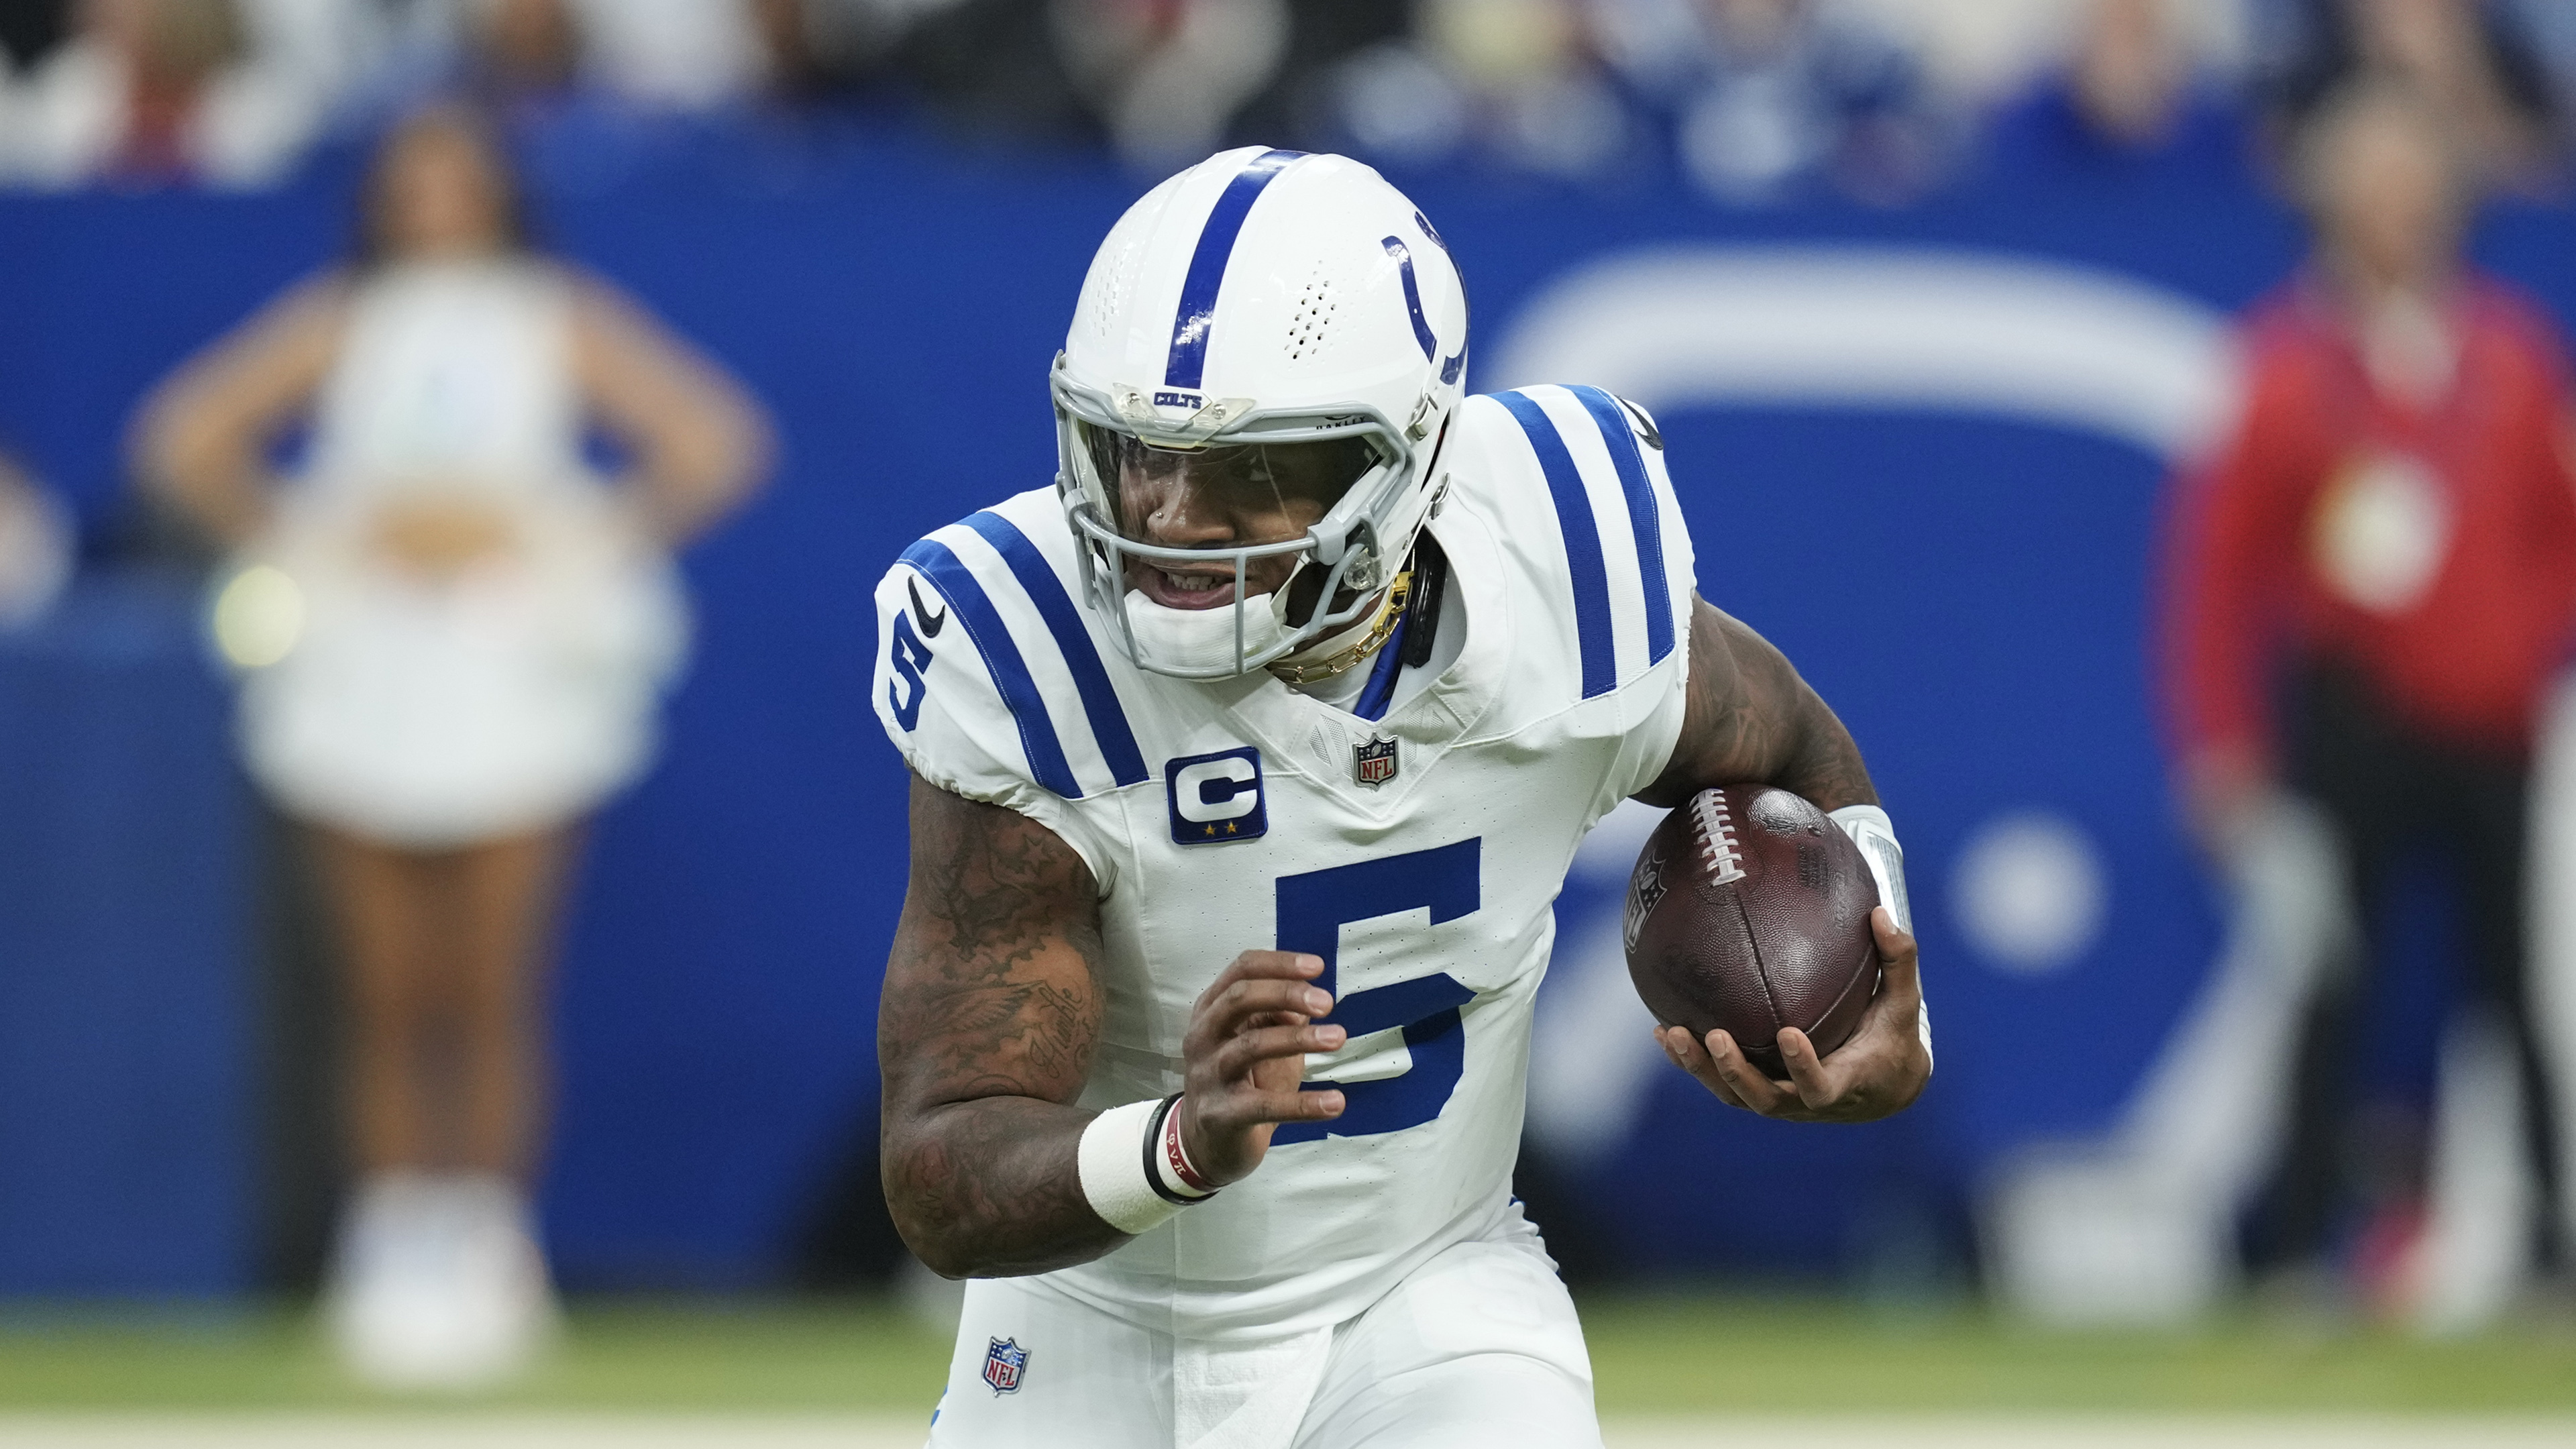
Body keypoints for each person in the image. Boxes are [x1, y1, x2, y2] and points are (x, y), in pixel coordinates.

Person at [871, 146, 1930, 1444]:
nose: (1171, 517)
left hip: (1429, 1295)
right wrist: (1176, 1143)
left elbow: (1791, 746)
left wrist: (1874, 979)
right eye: (1134, 451)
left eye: (1251, 472)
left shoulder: (1562, 570)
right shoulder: (1032, 649)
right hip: (1099, 1317)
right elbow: (941, 1162)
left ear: (1407, 457)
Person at [133, 104, 769, 1385]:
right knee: (387, 989)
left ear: (495, 191)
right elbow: (183, 438)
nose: (433, 204)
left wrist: (566, 534)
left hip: (508, 673)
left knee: (489, 987)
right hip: (367, 668)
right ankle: (392, 1243)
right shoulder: (342, 319)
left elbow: (716, 440)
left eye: (454, 179)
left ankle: (487, 1244)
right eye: (409, 182)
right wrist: (316, 531)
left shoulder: (553, 315)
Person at [2158, 79, 2576, 1316]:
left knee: (2518, 985)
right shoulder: (2289, 368)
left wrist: (2525, 644)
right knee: (2330, 985)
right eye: (2371, 188)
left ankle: (2550, 1244)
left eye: (2413, 185)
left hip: (2494, 727)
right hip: (2356, 719)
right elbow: (2219, 575)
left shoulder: (2506, 357)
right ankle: (2294, 1250)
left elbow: (2557, 535)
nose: (2395, 213)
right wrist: (2220, 741)